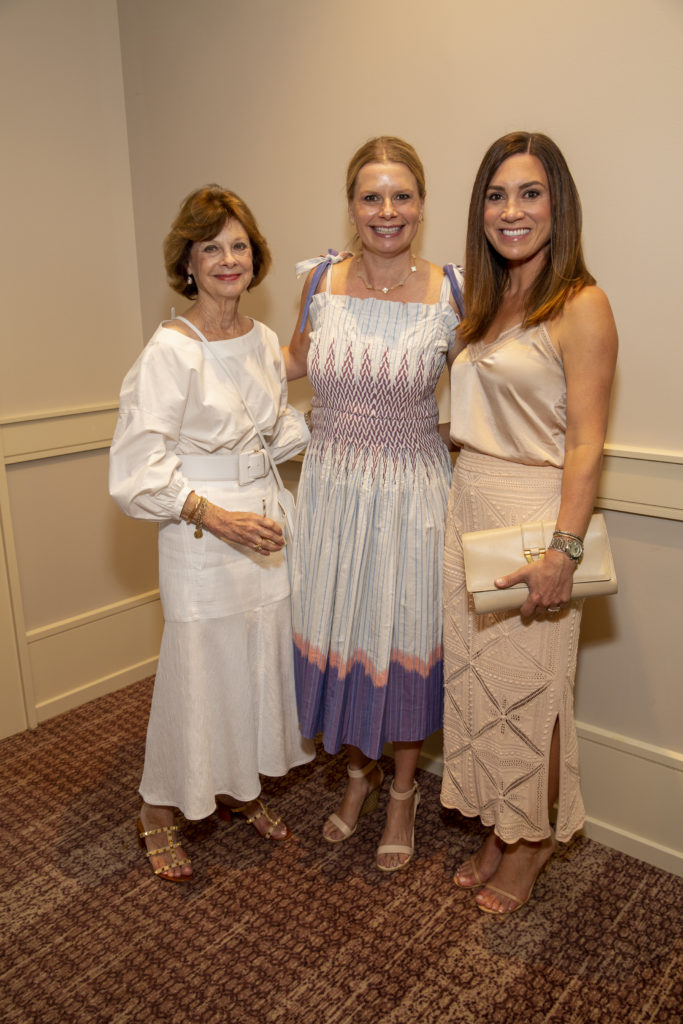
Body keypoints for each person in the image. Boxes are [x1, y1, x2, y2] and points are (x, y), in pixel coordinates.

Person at [110, 185, 313, 882]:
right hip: (201, 528)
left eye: (239, 246)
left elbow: (275, 430)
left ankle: (239, 786)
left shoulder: (260, 340)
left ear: (255, 257)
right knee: (199, 671)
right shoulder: (171, 349)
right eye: (211, 248)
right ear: (188, 263)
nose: (229, 259)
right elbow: (137, 468)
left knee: (256, 661)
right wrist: (215, 516)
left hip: (266, 521)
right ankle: (157, 808)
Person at [441, 132, 618, 913]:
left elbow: (584, 443)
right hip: (468, 504)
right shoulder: (487, 303)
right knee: (479, 692)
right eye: (496, 195)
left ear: (557, 205)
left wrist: (562, 552)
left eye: (529, 193)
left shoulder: (580, 304)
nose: (510, 211)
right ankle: (498, 825)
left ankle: (532, 841)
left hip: (533, 518)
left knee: (531, 697)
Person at [284, 137, 464, 872]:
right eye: (371, 196)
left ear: (421, 204)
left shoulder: (453, 291)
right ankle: (357, 775)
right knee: (343, 628)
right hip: (331, 491)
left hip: (410, 494)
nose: (387, 211)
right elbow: (290, 363)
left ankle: (402, 792)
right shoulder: (320, 280)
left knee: (403, 631)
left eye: (401, 196)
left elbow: (486, 392)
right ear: (351, 206)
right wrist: (208, 340)